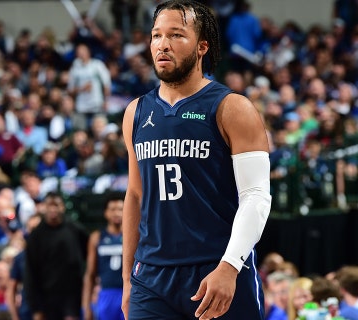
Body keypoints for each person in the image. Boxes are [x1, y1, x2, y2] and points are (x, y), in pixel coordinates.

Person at [121, 1, 272, 319]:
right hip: (151, 278)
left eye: (176, 35)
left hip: (215, 268)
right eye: (156, 35)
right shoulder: (136, 112)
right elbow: (135, 196)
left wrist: (230, 267)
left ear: (202, 46)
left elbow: (256, 196)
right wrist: (126, 278)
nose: (163, 45)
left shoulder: (232, 108)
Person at [25, 192, 88, 320]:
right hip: (45, 297)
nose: (53, 209)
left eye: (57, 205)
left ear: (63, 207)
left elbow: (88, 258)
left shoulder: (76, 230)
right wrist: (36, 307)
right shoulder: (36, 236)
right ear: (43, 207)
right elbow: (30, 272)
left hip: (72, 295)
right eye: (49, 205)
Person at [82, 192, 124, 320]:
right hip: (106, 293)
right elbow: (90, 274)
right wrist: (86, 306)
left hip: (129, 292)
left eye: (120, 209)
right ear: (105, 213)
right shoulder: (97, 238)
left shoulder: (134, 237)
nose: (116, 213)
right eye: (112, 209)